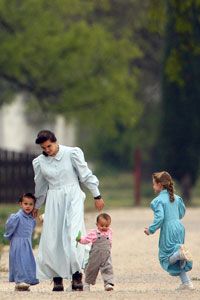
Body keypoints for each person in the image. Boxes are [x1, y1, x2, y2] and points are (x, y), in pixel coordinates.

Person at [32, 129, 104, 292]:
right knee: (53, 237)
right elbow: (41, 187)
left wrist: (96, 195)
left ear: (55, 141)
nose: (47, 150)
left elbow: (85, 175)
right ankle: (57, 278)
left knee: (74, 234)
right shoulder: (39, 162)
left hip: (73, 196)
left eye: (49, 146)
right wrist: (37, 206)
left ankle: (76, 275)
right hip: (54, 199)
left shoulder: (72, 153)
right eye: (43, 148)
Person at [144, 171, 194, 290]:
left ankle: (179, 254)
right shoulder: (177, 198)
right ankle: (186, 282)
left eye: (154, 184)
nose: (153, 186)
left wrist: (151, 229)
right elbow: (181, 213)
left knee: (165, 257)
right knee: (178, 256)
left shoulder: (157, 201)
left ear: (160, 185)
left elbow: (160, 217)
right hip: (179, 227)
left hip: (168, 229)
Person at [4, 193, 39, 291]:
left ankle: (26, 280)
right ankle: (19, 281)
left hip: (27, 243)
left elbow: (31, 230)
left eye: (31, 204)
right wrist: (10, 237)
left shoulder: (31, 219)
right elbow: (9, 228)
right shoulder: (17, 217)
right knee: (19, 261)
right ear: (21, 204)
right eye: (25, 203)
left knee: (27, 261)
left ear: (34, 205)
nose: (28, 206)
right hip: (18, 243)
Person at [76, 213, 114, 291]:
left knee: (108, 268)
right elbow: (86, 240)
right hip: (95, 255)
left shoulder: (109, 232)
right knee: (91, 269)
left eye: (106, 226)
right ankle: (87, 283)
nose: (104, 227)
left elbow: (110, 242)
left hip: (106, 255)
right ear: (97, 224)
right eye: (102, 225)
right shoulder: (94, 233)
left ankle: (108, 283)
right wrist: (80, 240)